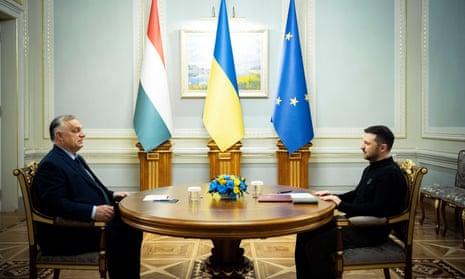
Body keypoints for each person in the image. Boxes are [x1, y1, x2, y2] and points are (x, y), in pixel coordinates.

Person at [31, 115, 143, 279]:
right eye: (76, 131)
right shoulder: (52, 164)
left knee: (131, 224)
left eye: (81, 130)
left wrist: (112, 195)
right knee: (125, 231)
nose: (83, 134)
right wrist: (92, 212)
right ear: (59, 136)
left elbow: (89, 189)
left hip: (82, 225)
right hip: (65, 234)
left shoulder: (73, 157)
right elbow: (55, 205)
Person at [294, 125, 407, 279]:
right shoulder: (373, 168)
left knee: (316, 246)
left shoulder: (390, 174)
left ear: (382, 147)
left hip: (370, 230)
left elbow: (378, 209)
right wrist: (333, 196)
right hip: (356, 223)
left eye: (367, 143)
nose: (362, 147)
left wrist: (340, 204)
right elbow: (357, 194)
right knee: (305, 232)